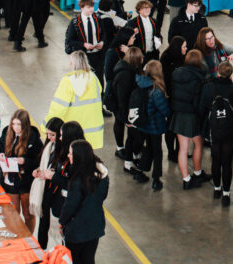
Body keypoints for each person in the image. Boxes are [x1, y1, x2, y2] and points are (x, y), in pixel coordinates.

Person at [59, 139, 109, 264]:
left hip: (77, 229)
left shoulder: (77, 180)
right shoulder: (101, 174)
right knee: (89, 260)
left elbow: (70, 206)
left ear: (79, 156)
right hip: (95, 225)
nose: (68, 156)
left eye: (71, 153)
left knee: (76, 261)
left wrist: (62, 222)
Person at [199, 61, 233, 206]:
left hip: (213, 129)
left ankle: (217, 188)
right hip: (230, 130)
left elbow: (201, 108)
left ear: (218, 72)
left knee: (216, 159)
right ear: (231, 74)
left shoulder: (209, 87)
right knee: (227, 161)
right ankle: (226, 193)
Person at [0, 108, 43, 231]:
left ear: (25, 125)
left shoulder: (33, 138)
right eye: (13, 124)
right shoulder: (6, 134)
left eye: (19, 124)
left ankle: (29, 238)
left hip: (25, 182)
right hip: (10, 181)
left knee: (28, 214)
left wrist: (25, 161)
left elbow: (40, 162)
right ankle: (18, 238)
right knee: (14, 214)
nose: (15, 127)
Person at [44, 51, 104, 149]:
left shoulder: (68, 81)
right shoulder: (94, 79)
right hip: (93, 132)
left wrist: (47, 126)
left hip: (73, 132)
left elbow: (58, 107)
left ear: (72, 64)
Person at [170, 49, 211, 189]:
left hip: (179, 114)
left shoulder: (176, 73)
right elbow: (199, 101)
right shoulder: (200, 78)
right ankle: (198, 173)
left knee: (183, 148)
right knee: (198, 145)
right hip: (193, 115)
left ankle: (186, 179)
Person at [133, 60, 170, 190]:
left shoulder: (141, 84)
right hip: (155, 126)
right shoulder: (156, 90)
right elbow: (164, 110)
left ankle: (140, 171)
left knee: (148, 148)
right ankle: (156, 179)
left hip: (143, 124)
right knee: (157, 152)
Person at [110, 47, 145, 176]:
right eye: (141, 57)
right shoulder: (125, 75)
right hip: (123, 109)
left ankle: (133, 155)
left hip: (127, 108)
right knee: (132, 135)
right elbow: (122, 99)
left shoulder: (129, 69)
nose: (143, 58)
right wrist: (127, 119)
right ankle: (126, 156)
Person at [31, 116, 64, 249]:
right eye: (48, 134)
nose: (49, 137)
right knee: (43, 222)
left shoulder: (64, 151)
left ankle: (58, 252)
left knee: (56, 224)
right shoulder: (49, 146)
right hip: (46, 189)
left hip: (57, 193)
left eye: (52, 135)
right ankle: (42, 249)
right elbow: (44, 164)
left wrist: (50, 175)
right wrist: (38, 171)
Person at [65, 0, 106, 89]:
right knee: (83, 80)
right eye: (88, 7)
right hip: (84, 56)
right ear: (82, 8)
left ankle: (100, 96)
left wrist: (102, 42)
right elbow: (70, 40)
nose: (91, 9)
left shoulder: (97, 18)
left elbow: (104, 33)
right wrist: (84, 44)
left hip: (97, 54)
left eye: (92, 6)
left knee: (99, 79)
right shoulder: (75, 22)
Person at [160, 36, 187, 162]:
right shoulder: (166, 59)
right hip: (171, 98)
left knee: (179, 127)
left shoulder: (183, 58)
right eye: (184, 47)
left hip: (180, 98)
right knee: (171, 127)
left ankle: (179, 151)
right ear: (177, 48)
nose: (186, 49)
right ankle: (171, 152)